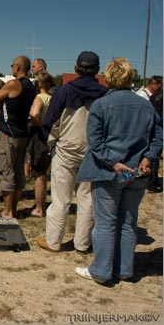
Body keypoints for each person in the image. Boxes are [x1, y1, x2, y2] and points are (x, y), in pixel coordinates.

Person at [75, 57, 162, 285]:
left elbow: (95, 140)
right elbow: (158, 136)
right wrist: (147, 158)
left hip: (109, 172)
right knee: (127, 221)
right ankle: (124, 268)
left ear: (109, 76)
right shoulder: (146, 105)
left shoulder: (102, 104)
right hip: (136, 171)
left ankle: (102, 270)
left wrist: (114, 162)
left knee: (105, 222)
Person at [36, 51, 107, 253]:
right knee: (87, 198)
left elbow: (49, 123)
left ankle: (53, 242)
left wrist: (50, 144)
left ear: (76, 68)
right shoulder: (103, 94)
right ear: (97, 70)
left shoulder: (64, 91)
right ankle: (83, 243)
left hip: (66, 149)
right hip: (92, 150)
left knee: (60, 198)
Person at [0, 55, 36, 218]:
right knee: (17, 172)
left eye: (12, 65)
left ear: (17, 66)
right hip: (22, 132)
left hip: (8, 133)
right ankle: (13, 209)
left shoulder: (14, 84)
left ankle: (7, 211)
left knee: (6, 171)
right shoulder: (30, 86)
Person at [27, 72, 54, 217]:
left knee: (39, 174)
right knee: (43, 171)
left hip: (40, 135)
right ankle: (41, 206)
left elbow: (34, 114)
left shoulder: (40, 97)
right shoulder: (53, 98)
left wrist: (39, 124)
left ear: (40, 84)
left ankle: (39, 208)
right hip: (49, 135)